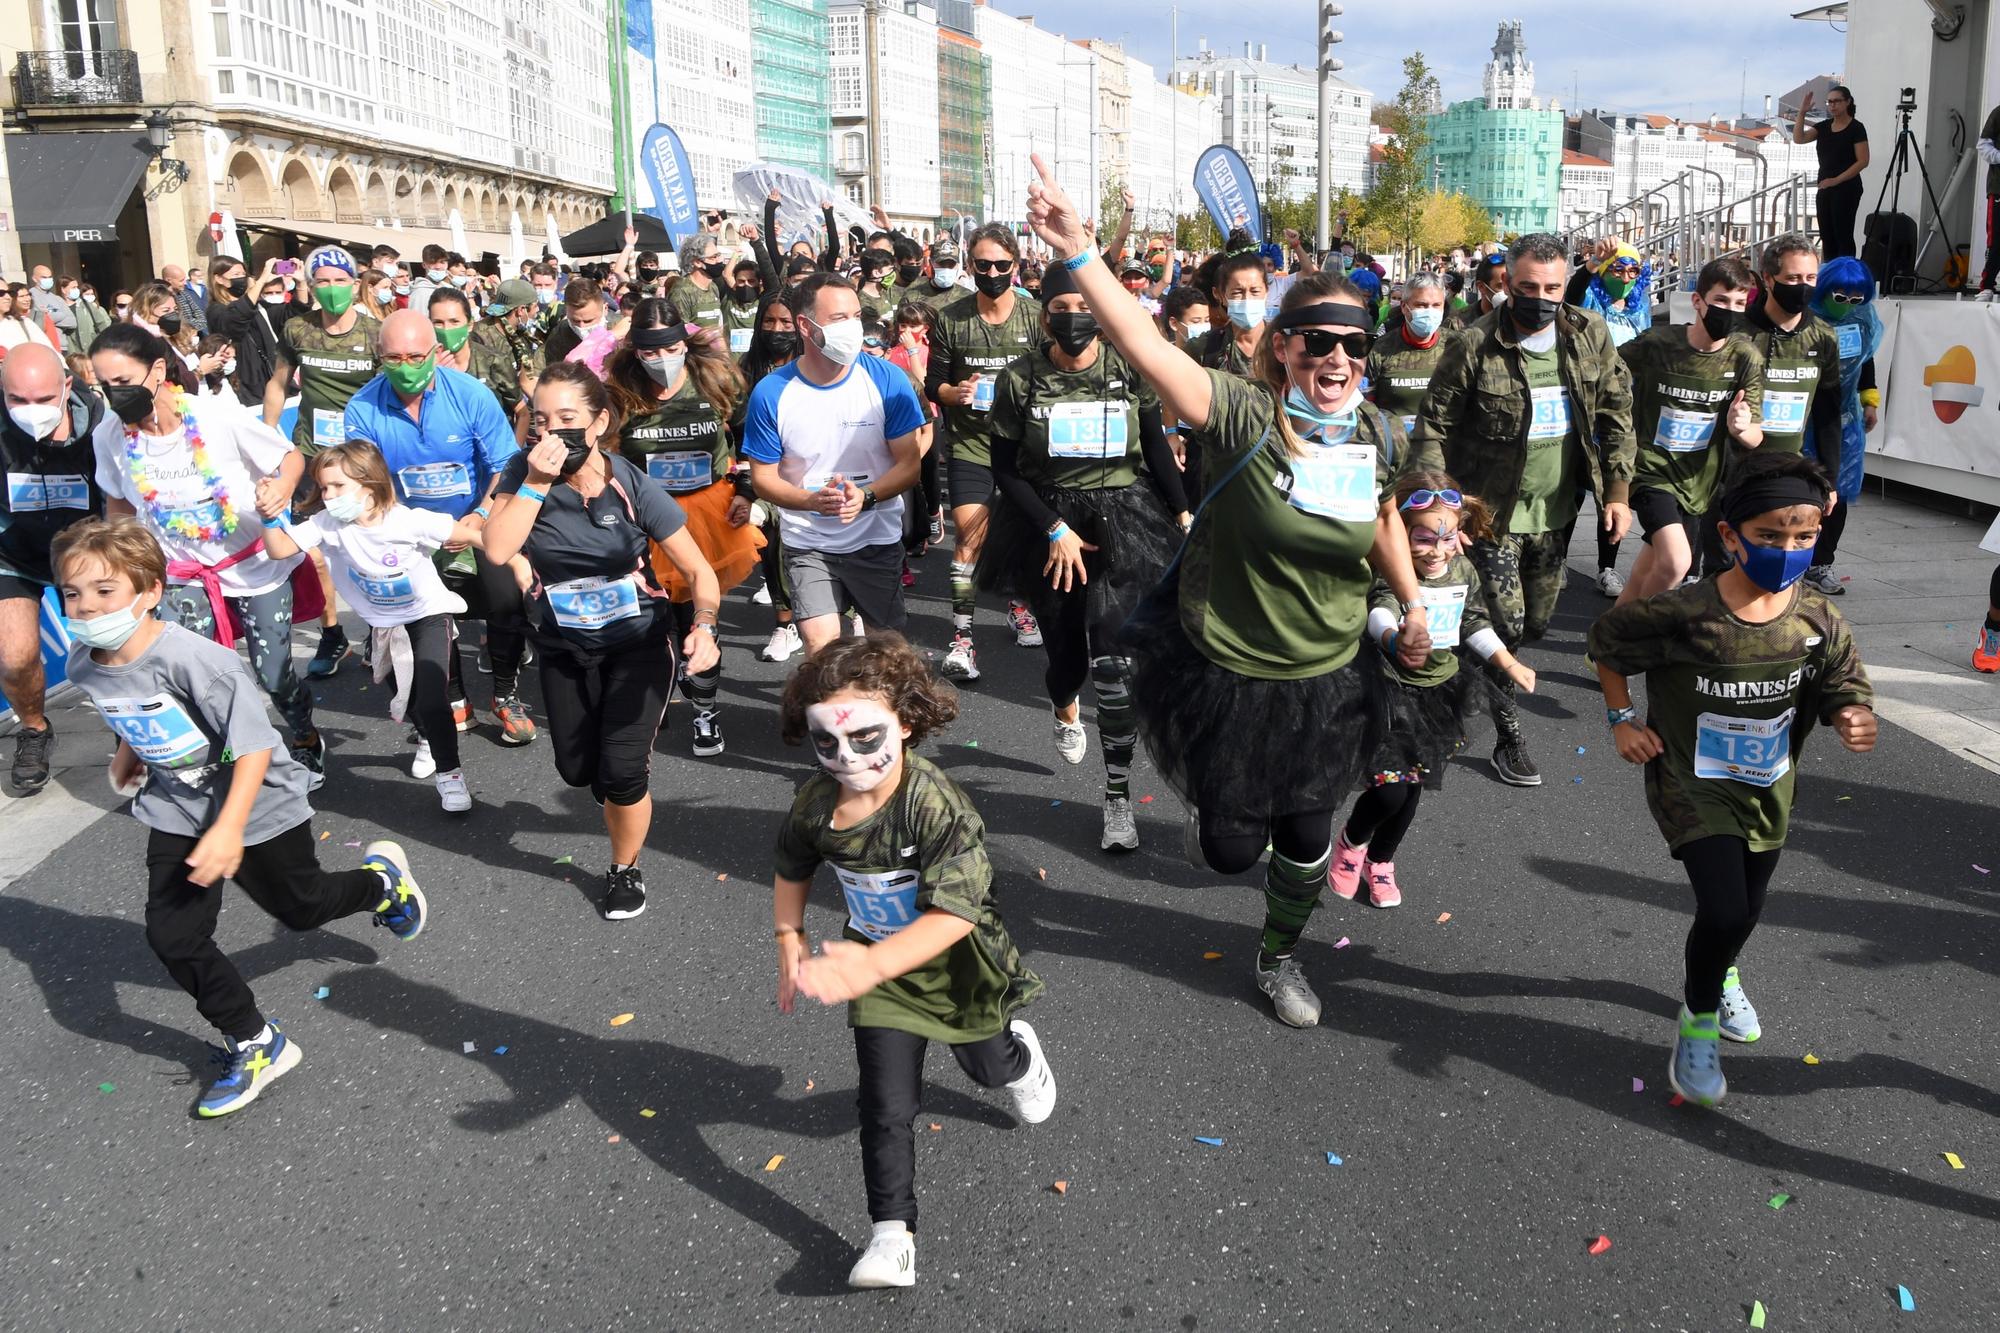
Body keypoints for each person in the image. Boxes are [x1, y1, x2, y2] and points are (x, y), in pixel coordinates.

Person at [1024, 153, 1433, 1029]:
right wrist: (1079, 251)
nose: (1336, 357)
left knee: (1306, 839)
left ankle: (1280, 955)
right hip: (1229, 667)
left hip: (1330, 670)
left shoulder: (1377, 432)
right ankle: (1225, 816)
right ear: (1284, 348)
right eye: (1316, 341)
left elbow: (1387, 517)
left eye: (1353, 344)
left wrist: (1415, 604)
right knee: (1227, 849)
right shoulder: (1244, 412)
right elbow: (1142, 342)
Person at [51, 515, 426, 1119]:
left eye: (104, 591)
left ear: (150, 593)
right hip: (177, 806)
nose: (88, 607)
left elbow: (252, 747)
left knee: (300, 909)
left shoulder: (200, 662)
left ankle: (380, 884)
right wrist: (128, 752)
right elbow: (123, 704)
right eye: (73, 593)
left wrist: (229, 829)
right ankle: (256, 1040)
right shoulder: (83, 663)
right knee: (173, 935)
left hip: (260, 805)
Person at [1589, 451, 1875, 1106]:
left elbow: (1843, 682)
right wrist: (1622, 719)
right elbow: (1607, 643)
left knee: (1744, 909)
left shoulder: (1817, 619)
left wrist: (1854, 713)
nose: (1788, 550)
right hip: (1691, 782)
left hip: (1769, 788)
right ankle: (1698, 1020)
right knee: (1722, 907)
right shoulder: (1684, 613)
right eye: (1770, 536)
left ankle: (1718, 967)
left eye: (1803, 538)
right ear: (1728, 535)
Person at [771, 633, 1055, 1291]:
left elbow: (955, 913)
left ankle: (1019, 1057)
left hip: (957, 963)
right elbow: (792, 862)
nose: (847, 756)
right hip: (877, 968)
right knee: (885, 1103)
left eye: (866, 737)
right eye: (827, 743)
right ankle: (892, 1234)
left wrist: (868, 967)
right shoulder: (816, 803)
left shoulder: (933, 803)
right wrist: (788, 935)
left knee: (985, 1064)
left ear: (904, 720)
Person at [481, 361, 721, 922]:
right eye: (540, 420)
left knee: (621, 771)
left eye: (567, 419)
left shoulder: (631, 483)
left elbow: (699, 571)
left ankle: (624, 867)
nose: (550, 432)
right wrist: (537, 482)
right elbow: (495, 548)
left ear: (598, 423)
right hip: (564, 645)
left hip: (640, 642)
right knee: (577, 771)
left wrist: (705, 628)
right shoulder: (522, 471)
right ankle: (616, 785)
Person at [975, 258, 1190, 852]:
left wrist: (1182, 511)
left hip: (1125, 519)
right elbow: (1003, 468)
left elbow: (1154, 447)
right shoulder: (1020, 379)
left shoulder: (1127, 370)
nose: (1073, 319)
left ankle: (1117, 796)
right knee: (1067, 659)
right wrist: (1051, 527)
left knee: (1116, 661)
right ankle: (1064, 706)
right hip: (1050, 527)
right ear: (1043, 315)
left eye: (1083, 308)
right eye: (1060, 310)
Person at [1410, 233, 1636, 789]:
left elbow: (1616, 411)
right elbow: (1433, 426)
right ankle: (1509, 739)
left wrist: (1618, 490)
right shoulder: (1473, 343)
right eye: (1529, 287)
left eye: (1553, 288)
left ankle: (1467, 665)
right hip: (1490, 514)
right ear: (1507, 283)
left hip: (1558, 509)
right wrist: (1446, 506)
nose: (1541, 297)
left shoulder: (1590, 335)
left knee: (1535, 623)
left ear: (1566, 285)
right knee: (1506, 627)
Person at [89, 323, 327, 787]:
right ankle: (227, 759)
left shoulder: (216, 416)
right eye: (103, 385)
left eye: (122, 382)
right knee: (198, 676)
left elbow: (290, 459)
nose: (114, 396)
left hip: (253, 566)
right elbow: (118, 505)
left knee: (273, 675)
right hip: (181, 574)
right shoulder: (110, 435)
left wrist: (279, 488)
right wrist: (119, 567)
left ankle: (302, 736)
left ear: (158, 370)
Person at [1332, 474, 1536, 910]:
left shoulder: (1462, 569)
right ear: (1400, 531)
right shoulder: (1392, 568)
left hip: (1441, 692)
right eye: (1423, 538)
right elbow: (1380, 610)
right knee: (1389, 787)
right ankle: (1352, 842)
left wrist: (1509, 662)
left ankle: (1382, 861)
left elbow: (1474, 621)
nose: (1436, 550)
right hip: (1389, 689)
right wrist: (1393, 637)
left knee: (1414, 785)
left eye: (1446, 539)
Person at [342, 309, 534, 745]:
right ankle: (453, 698)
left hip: (476, 519)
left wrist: (482, 514)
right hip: (409, 529)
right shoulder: (362, 409)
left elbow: (505, 465)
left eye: (415, 356)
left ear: (435, 352)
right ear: (379, 356)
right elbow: (364, 483)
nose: (406, 367)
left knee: (506, 601)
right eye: (394, 358)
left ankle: (505, 693)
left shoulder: (471, 395)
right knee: (428, 617)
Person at [262, 441, 477, 811]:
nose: (329, 496)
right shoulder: (327, 524)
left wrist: (519, 565)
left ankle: (451, 776)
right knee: (406, 698)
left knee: (432, 696)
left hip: (429, 616)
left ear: (370, 482)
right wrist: (267, 516)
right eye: (324, 487)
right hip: (385, 627)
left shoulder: (407, 520)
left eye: (338, 487)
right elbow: (279, 549)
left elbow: (475, 535)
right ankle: (425, 736)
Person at [605, 300, 759, 756]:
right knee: (655, 618)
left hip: (706, 512)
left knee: (699, 615)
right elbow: (602, 450)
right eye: (650, 353)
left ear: (684, 342)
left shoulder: (717, 378)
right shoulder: (618, 389)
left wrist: (748, 491)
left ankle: (705, 711)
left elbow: (750, 436)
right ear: (635, 351)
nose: (661, 360)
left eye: (670, 348)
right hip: (644, 515)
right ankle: (661, 687)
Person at [743, 274, 927, 653]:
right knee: (821, 649)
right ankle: (825, 712)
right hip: (808, 542)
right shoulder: (772, 392)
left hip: (875, 538)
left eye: (857, 316)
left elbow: (909, 466)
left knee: (885, 652)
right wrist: (811, 502)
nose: (853, 328)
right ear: (805, 326)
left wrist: (867, 496)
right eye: (839, 319)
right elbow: (762, 479)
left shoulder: (888, 380)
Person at [926, 224, 1046, 680]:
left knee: (1018, 537)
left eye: (1001, 265)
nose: (992, 272)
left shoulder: (1035, 317)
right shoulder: (951, 317)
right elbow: (932, 381)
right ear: (970, 265)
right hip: (971, 446)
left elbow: (1051, 377)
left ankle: (1018, 604)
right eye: (982, 264)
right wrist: (954, 394)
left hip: (1023, 450)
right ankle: (962, 639)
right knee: (969, 537)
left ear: (1015, 266)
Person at [1, 343, 122, 792]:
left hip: (87, 548)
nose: (30, 411)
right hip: (14, 554)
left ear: (67, 386)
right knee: (14, 658)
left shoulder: (103, 426)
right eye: (17, 400)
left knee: (111, 647)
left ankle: (126, 726)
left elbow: (121, 494)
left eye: (43, 400)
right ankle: (34, 730)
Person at [1612, 257, 1767, 607]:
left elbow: (1756, 435)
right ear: (1698, 302)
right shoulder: (1660, 343)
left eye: (1740, 304)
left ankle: (1606, 637)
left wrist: (1742, 429)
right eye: (1721, 301)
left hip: (1699, 480)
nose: (1730, 311)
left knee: (1649, 566)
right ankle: (1638, 635)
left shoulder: (1744, 356)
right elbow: (1607, 370)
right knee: (1677, 561)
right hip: (1651, 469)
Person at [264, 246, 379, 677]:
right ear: (311, 287)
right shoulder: (297, 330)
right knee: (312, 551)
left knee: (367, 546)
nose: (332, 290)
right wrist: (267, 441)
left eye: (339, 281)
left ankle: (377, 628)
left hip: (361, 457)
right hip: (312, 453)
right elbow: (277, 385)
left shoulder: (374, 333)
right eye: (323, 282)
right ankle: (332, 635)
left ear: (355, 284)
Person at [1734, 233, 1843, 595]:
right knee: (1720, 562)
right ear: (1768, 279)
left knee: (1773, 564)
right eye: (1793, 279)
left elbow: (1828, 415)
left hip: (1786, 467)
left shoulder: (1823, 337)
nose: (1803, 287)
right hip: (1731, 466)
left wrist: (1828, 480)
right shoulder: (1740, 332)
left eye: (1810, 279)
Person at [1806, 257, 1883, 594]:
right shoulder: (1804, 318)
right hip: (1805, 417)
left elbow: (1866, 361)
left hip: (1845, 418)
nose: (1848, 305)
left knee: (1839, 494)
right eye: (1840, 297)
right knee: (1803, 491)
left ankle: (1821, 563)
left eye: (1856, 298)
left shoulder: (1861, 318)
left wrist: (1869, 400)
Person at [1366, 273, 1451, 438]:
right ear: (1405, 307)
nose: (1429, 312)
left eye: (1436, 305)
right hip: (1394, 448)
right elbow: (1364, 406)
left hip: (1444, 451)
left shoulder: (1456, 347)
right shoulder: (1380, 350)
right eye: (1421, 305)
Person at [1795, 86, 1869, 261]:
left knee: (1843, 235)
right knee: (1827, 236)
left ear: (1848, 102)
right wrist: (1802, 113)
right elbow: (1799, 139)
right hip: (1825, 187)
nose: (1832, 105)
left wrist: (1836, 180)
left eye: (1837, 101)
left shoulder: (1856, 128)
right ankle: (1830, 278)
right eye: (1830, 101)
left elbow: (1863, 161)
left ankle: (1847, 281)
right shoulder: (1823, 127)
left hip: (1847, 188)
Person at [205, 256, 279, 408]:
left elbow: (285, 313)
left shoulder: (256, 304)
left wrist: (301, 284)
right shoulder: (216, 310)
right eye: (236, 275)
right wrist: (261, 281)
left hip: (269, 373)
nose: (242, 279)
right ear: (219, 279)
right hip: (245, 381)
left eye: (243, 274)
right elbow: (239, 316)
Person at [1576, 243, 1652, 348]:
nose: (1626, 279)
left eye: (1633, 271)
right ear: (1602, 273)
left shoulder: (1641, 307)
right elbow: (1575, 290)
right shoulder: (1590, 301)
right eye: (1618, 270)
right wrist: (1596, 261)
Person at [668, 234, 730, 335]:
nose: (719, 260)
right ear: (697, 262)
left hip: (713, 349)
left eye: (718, 255)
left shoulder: (713, 287)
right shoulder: (681, 291)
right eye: (713, 257)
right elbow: (679, 329)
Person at [544, 278, 606, 364]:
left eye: (588, 321)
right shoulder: (559, 335)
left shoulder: (622, 331)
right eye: (575, 320)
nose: (581, 327)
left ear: (604, 309)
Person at [29, 263, 77, 354]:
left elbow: (73, 322)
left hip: (63, 347)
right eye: (44, 277)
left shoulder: (57, 298)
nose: (48, 280)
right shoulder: (31, 296)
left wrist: (51, 314)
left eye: (50, 277)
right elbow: (41, 319)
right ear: (34, 279)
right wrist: (62, 314)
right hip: (46, 347)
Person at [1978, 100, 2000, 295]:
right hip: (1999, 188)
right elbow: (1983, 146)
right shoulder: (1998, 113)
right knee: (1996, 240)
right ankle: (1987, 284)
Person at [161, 264, 208, 338]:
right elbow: (178, 321)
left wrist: (195, 328)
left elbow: (199, 313)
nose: (185, 283)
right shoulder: (163, 299)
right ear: (169, 280)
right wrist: (188, 327)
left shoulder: (184, 294)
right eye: (181, 280)